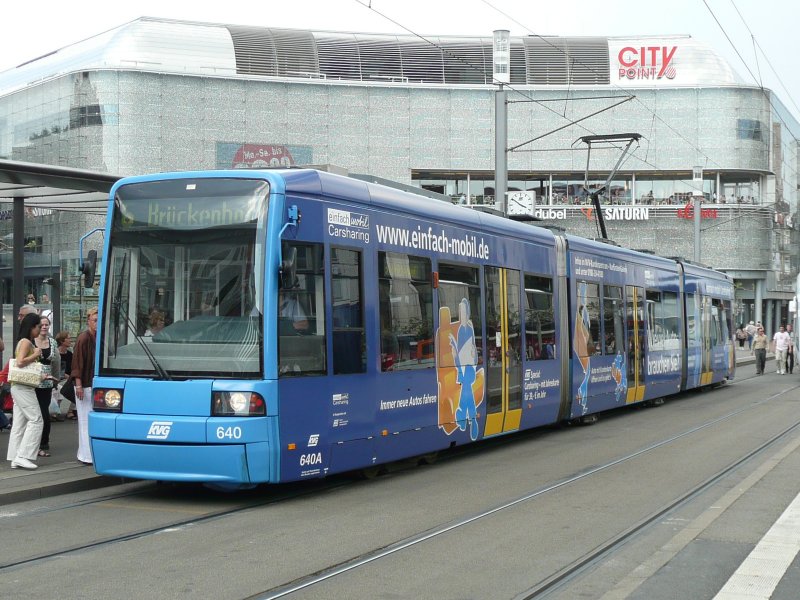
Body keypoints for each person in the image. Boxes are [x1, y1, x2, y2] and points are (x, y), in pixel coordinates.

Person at [5, 313, 46, 469]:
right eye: (39, 326)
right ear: (32, 327)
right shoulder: (27, 342)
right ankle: (24, 455)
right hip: (24, 388)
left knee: (20, 423)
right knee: (36, 420)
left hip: (18, 386)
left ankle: (15, 457)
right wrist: (35, 354)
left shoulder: (22, 341)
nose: (41, 329)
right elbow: (21, 362)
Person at [71, 308, 98, 465]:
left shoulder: (96, 337)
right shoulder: (84, 338)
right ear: (88, 321)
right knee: (85, 420)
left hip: (91, 383)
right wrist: (79, 385)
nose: (96, 323)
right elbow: (77, 363)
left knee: (89, 419)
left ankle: (87, 454)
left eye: (98, 320)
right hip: (84, 384)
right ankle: (86, 455)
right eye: (94, 320)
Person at [55, 330, 76, 419]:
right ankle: (55, 411)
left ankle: (70, 411)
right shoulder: (56, 353)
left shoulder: (70, 354)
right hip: (57, 379)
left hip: (67, 379)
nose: (70, 340)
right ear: (62, 341)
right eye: (68, 338)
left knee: (77, 386)